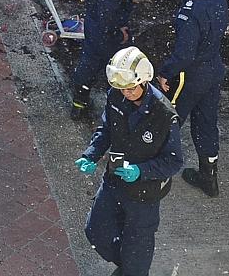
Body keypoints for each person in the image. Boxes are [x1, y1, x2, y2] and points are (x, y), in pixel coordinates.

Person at [74, 46, 181, 276]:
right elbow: (106, 129)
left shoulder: (164, 114)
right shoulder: (116, 95)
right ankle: (126, 266)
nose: (126, 93)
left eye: (131, 88)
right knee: (96, 233)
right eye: (121, 89)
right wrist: (91, 154)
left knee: (137, 255)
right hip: (114, 182)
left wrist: (140, 171)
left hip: (144, 195)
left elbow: (173, 161)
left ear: (144, 81)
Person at [156, 0, 229, 198]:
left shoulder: (190, 12)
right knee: (207, 124)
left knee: (168, 121)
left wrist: (165, 73)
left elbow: (184, 54)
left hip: (191, 76)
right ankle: (209, 178)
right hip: (213, 70)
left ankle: (157, 176)